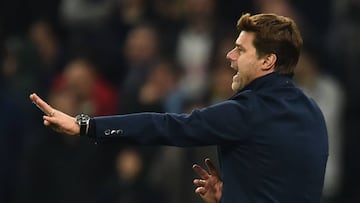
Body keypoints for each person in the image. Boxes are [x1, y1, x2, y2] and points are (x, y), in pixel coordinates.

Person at [29, 13, 328, 203]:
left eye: (240, 49)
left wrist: (85, 125)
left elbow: (170, 126)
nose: (229, 56)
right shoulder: (313, 113)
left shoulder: (248, 111)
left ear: (267, 61)